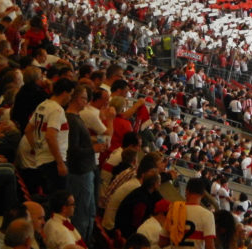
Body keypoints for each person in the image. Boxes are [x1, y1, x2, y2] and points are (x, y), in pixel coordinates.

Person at [66, 84, 106, 243]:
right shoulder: (72, 120)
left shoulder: (76, 118)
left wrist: (93, 142)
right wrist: (93, 148)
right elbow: (73, 151)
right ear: (76, 98)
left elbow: (80, 143)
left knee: (89, 212)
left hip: (86, 171)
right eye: (84, 98)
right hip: (80, 172)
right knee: (82, 214)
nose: (87, 102)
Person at [24, 78, 75, 194]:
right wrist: (60, 163)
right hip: (53, 161)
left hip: (42, 159)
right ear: (65, 93)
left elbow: (28, 130)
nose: (70, 98)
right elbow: (50, 136)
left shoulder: (42, 105)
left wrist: (37, 149)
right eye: (70, 95)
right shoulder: (57, 110)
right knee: (59, 200)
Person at [158, 178, 216, 249]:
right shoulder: (207, 215)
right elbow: (210, 246)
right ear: (203, 194)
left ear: (186, 191)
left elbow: (162, 242)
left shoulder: (174, 210)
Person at [115, 169, 162, 238]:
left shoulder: (140, 191)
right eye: (159, 182)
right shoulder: (142, 201)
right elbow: (136, 224)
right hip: (125, 234)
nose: (160, 184)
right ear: (154, 185)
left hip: (120, 227)